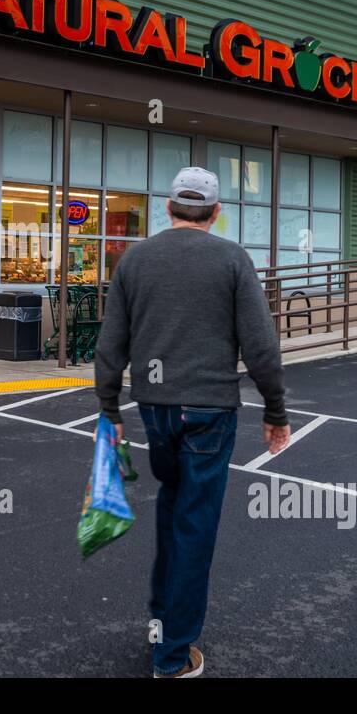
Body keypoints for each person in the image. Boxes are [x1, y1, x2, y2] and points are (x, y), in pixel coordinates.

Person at [94, 166, 291, 679]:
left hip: (155, 408)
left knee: (171, 506)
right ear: (216, 211)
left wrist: (109, 410)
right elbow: (261, 346)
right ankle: (173, 656)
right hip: (209, 409)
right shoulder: (232, 259)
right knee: (194, 525)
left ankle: (162, 625)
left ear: (168, 207)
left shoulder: (134, 260)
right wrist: (275, 411)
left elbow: (110, 343)